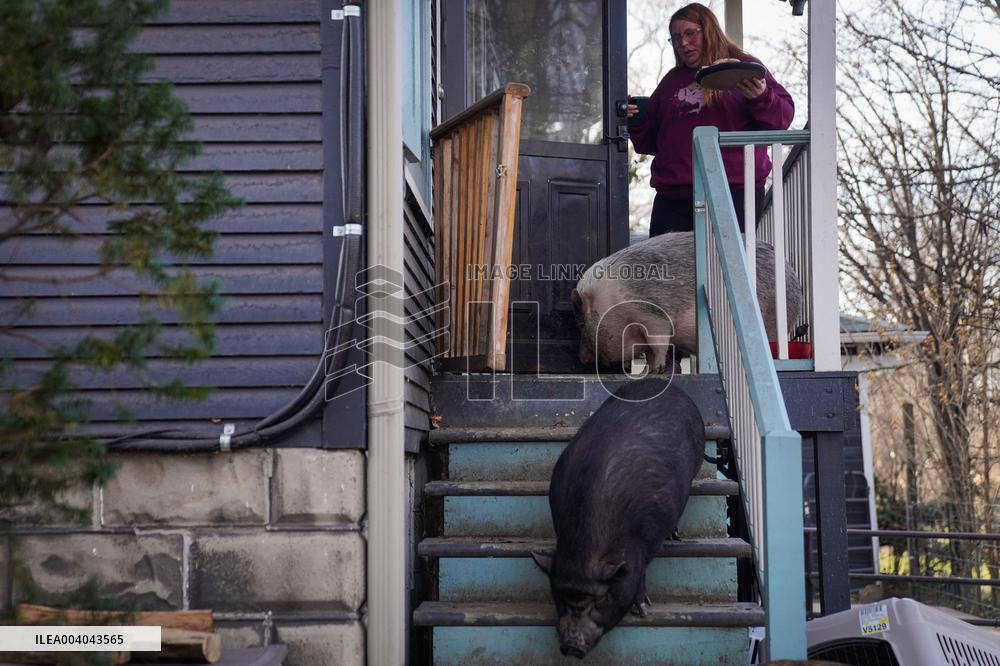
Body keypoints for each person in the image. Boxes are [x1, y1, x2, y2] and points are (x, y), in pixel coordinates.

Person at [627, 2, 794, 237]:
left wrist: (761, 97)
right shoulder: (671, 82)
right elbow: (650, 143)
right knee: (665, 271)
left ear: (708, 31)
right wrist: (635, 121)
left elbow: (782, 119)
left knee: (724, 270)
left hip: (733, 191)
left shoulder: (743, 67)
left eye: (690, 34)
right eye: (675, 38)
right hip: (674, 196)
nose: (683, 43)